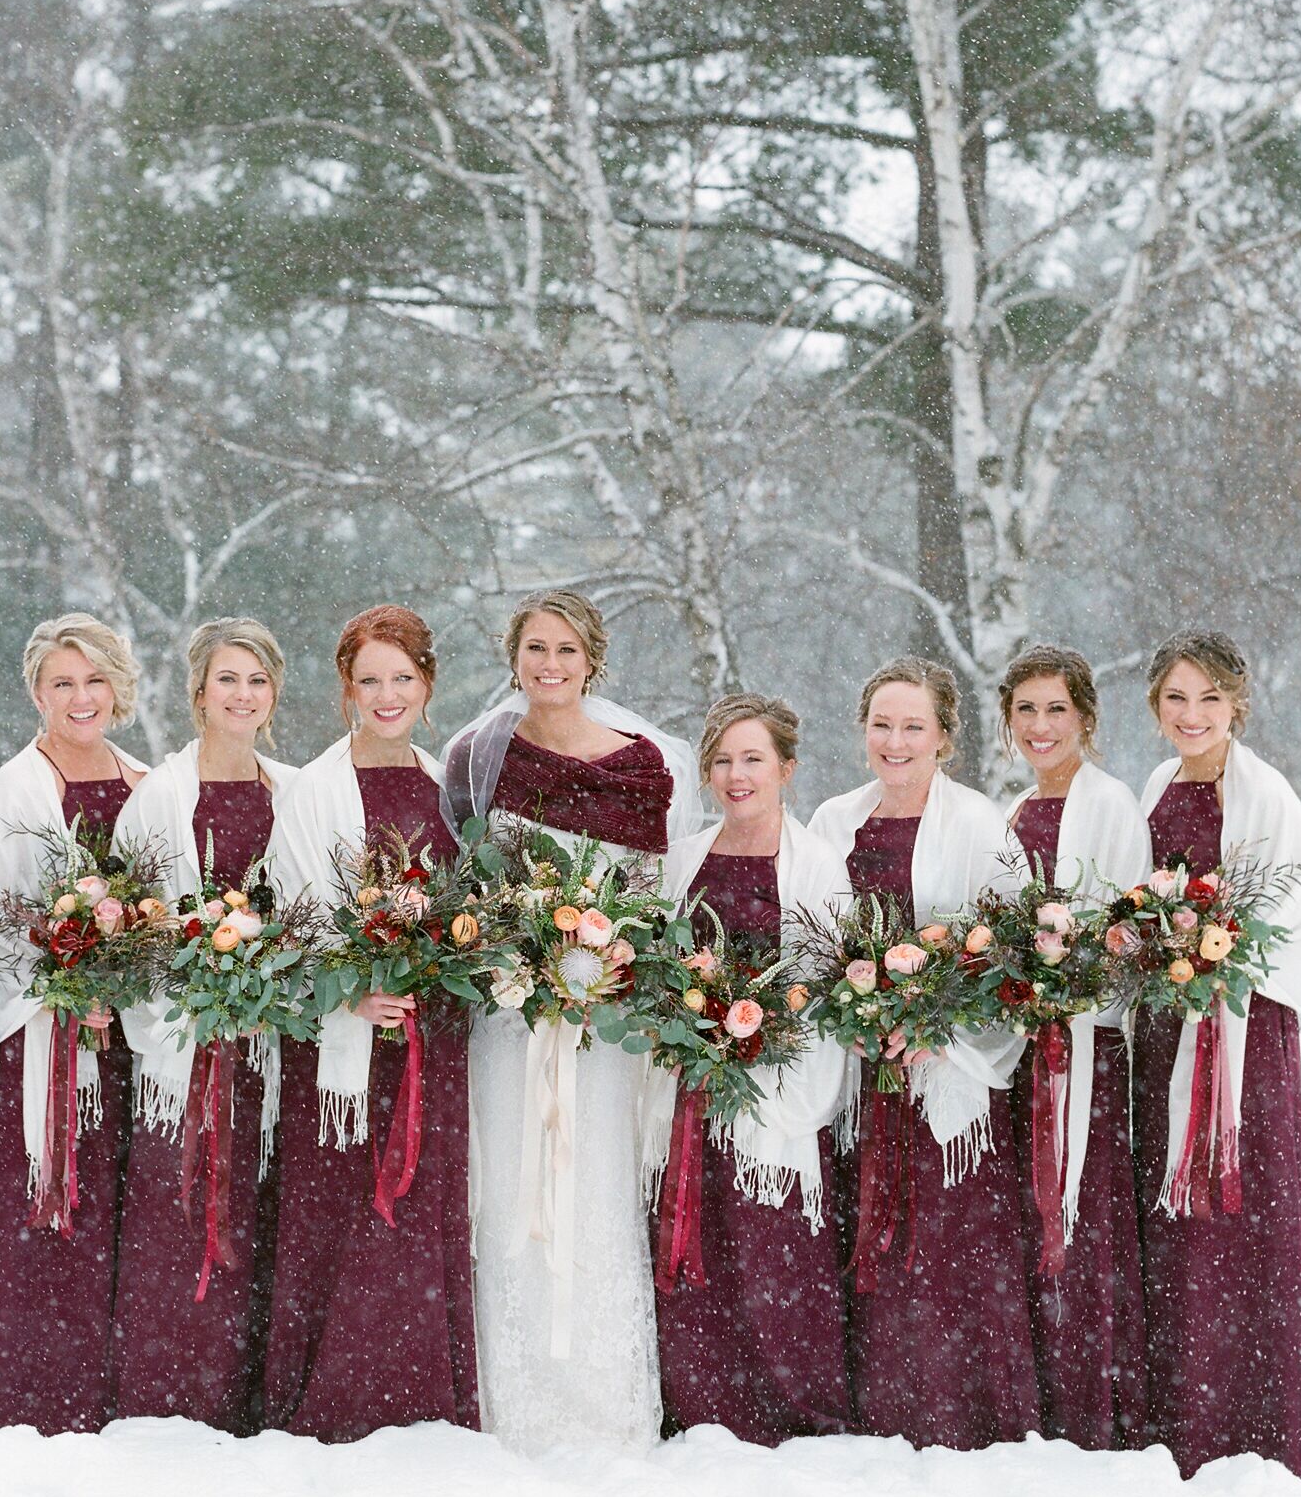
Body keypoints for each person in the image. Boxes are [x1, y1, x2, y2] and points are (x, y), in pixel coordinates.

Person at [443, 592, 703, 1452]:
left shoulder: (642, 765)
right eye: (534, 649)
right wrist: (520, 961)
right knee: (513, 1188)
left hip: (602, 1026)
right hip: (509, 1019)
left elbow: (649, 902)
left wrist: (604, 967)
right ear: (511, 657)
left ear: (592, 660)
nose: (549, 666)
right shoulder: (476, 758)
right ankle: (513, 1400)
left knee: (595, 1193)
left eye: (564, 650)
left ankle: (605, 1402)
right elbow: (466, 897)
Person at [1134, 632, 1301, 1482]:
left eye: (1210, 700)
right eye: (1177, 699)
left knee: (1243, 1208)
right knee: (1171, 1207)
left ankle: (1253, 1414)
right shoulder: (1155, 787)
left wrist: (1230, 962)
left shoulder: (1264, 795)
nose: (1192, 716)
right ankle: (1178, 1406)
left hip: (1242, 1031)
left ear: (1237, 706)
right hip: (1164, 1029)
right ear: (1156, 704)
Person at [807, 658, 1038, 1450]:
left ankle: (959, 1411)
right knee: (863, 1234)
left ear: (945, 738)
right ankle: (875, 1409)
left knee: (947, 1248)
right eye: (881, 724)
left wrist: (938, 1023)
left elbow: (1013, 960)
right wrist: (852, 1008)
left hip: (950, 1078)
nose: (895, 741)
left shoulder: (979, 825)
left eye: (914, 727)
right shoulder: (834, 822)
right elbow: (807, 940)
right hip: (861, 1071)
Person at [260, 606, 479, 1440]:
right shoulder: (315, 790)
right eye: (369, 681)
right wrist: (352, 991)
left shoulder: (449, 786)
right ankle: (338, 1398)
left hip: (435, 1035)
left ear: (427, 686)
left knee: (423, 1212)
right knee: (341, 1212)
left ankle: (426, 1395)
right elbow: (292, 916)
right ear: (345, 690)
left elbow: (474, 902)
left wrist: (447, 962)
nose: (387, 696)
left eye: (403, 678)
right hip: (345, 1045)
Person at [0, 615, 145, 1434]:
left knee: (121, 1206)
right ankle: (27, 1391)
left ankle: (114, 1390)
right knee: (43, 1205)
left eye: (94, 679)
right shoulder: (15, 788)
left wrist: (123, 976)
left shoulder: (148, 779)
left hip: (131, 1034)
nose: (80, 697)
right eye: (61, 682)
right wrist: (65, 985)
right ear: (36, 692)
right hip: (39, 1038)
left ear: (119, 687)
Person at [648, 695, 854, 1443]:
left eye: (753, 759)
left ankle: (793, 1408)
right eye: (724, 761)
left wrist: (766, 1043)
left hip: (780, 1082)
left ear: (787, 770)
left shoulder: (818, 864)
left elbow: (828, 981)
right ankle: (702, 1405)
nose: (737, 775)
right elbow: (658, 966)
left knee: (773, 1248)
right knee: (697, 1238)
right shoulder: (682, 860)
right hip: (693, 1082)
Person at [110, 620, 296, 1429]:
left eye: (256, 680)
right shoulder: (159, 795)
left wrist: (265, 979)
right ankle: (174, 1389)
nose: (242, 695)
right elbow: (136, 917)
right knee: (178, 1201)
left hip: (269, 1040)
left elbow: (308, 909)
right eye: (227, 679)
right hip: (180, 1043)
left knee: (260, 1203)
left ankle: (247, 1393)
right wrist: (191, 989)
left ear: (274, 695)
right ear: (197, 692)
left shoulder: (292, 790)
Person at [996, 644, 1151, 1450]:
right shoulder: (1013, 812)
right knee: (1028, 1215)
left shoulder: (1111, 803)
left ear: (1086, 717)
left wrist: (1073, 981)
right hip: (1025, 1047)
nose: (1041, 725)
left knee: (1084, 1216)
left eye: (1056, 708)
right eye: (1026, 709)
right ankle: (1037, 1398)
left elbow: (1128, 930)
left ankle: (1093, 1402)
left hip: (1089, 1046)